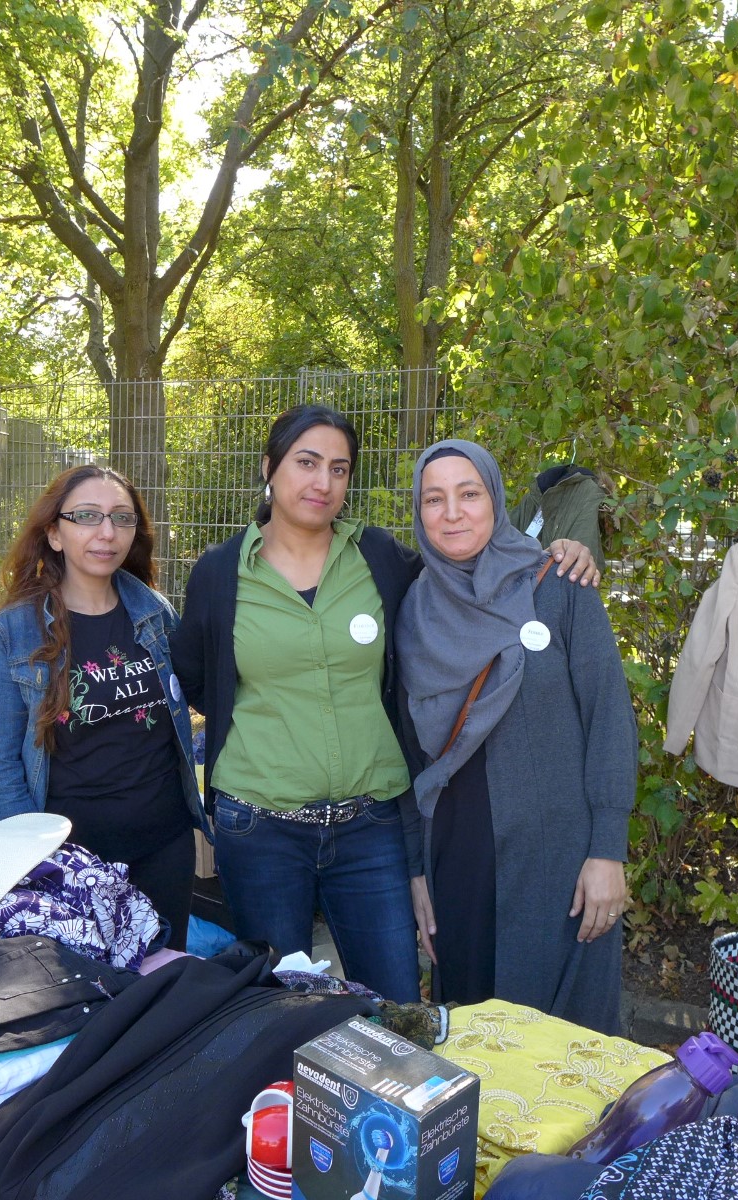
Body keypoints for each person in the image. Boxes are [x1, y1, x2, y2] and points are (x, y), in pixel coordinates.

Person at [169, 405, 598, 1003]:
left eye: (339, 469)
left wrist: (562, 547)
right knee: (276, 1009)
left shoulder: (380, 560)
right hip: (259, 828)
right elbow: (196, 678)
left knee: (396, 1007)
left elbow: (469, 574)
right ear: (269, 469)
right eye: (307, 462)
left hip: (369, 827)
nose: (322, 482)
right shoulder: (220, 574)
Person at [397, 439, 637, 1033]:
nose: (452, 512)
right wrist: (417, 871)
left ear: (496, 499)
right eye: (434, 499)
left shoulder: (557, 583)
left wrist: (607, 850)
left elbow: (608, 715)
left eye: (468, 493)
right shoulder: (411, 607)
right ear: (419, 513)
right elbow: (406, 751)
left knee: (569, 1044)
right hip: (457, 853)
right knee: (476, 1038)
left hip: (560, 857)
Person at [0, 465, 202, 949]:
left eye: (122, 518)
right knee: (93, 1004)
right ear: (54, 533)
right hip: (70, 861)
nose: (107, 532)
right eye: (88, 516)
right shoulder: (7, 635)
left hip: (165, 845)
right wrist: (35, 865)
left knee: (163, 997)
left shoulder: (156, 614)